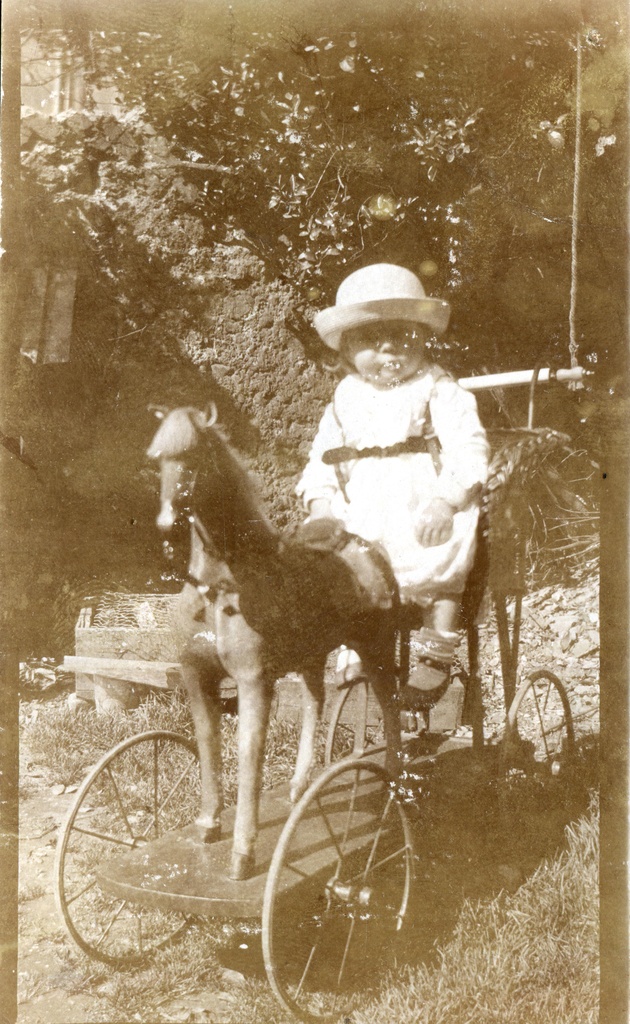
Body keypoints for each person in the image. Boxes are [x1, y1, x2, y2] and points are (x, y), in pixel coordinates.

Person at [296, 263, 489, 704]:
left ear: (423, 339)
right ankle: (357, 646)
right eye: (369, 341)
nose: (388, 351)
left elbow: (468, 448)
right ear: (346, 351)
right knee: (346, 562)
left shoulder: (438, 388)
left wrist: (447, 501)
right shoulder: (346, 397)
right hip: (365, 504)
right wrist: (320, 501)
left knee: (439, 557)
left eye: (401, 338)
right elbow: (323, 455)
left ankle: (435, 653)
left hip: (422, 499)